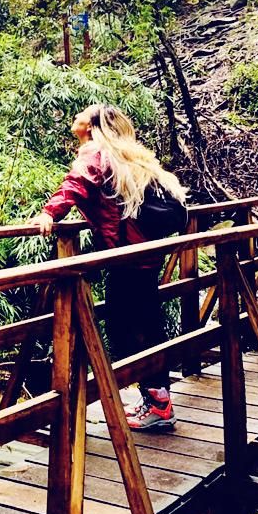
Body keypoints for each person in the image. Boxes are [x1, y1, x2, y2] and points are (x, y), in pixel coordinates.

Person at [33, 104, 188, 431]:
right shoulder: (128, 154)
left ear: (91, 126)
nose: (76, 116)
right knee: (147, 326)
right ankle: (158, 402)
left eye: (82, 114)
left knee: (126, 330)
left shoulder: (95, 152)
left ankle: (157, 406)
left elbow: (76, 184)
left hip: (125, 258)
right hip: (144, 254)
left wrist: (50, 212)